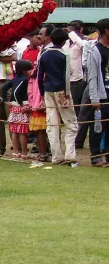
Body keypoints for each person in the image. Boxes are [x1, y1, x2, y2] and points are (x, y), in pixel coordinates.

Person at [37, 28, 78, 165]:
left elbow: (39, 76)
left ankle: (56, 156)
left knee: (52, 124)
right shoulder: (64, 55)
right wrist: (66, 94)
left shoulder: (43, 54)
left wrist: (42, 94)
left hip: (48, 90)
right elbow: (66, 76)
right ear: (64, 41)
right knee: (71, 123)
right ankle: (70, 155)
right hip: (62, 91)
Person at [82, 18, 109, 166]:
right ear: (106, 31)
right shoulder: (95, 50)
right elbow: (91, 76)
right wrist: (94, 98)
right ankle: (96, 156)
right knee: (98, 126)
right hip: (101, 93)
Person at [2, 59, 34, 159]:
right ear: (24, 71)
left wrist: (5, 100)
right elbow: (16, 91)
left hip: (14, 107)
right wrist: (20, 103)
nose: (31, 72)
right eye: (30, 70)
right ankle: (24, 153)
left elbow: (4, 88)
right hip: (21, 107)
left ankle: (16, 152)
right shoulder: (24, 79)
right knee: (23, 132)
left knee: (15, 131)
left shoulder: (15, 78)